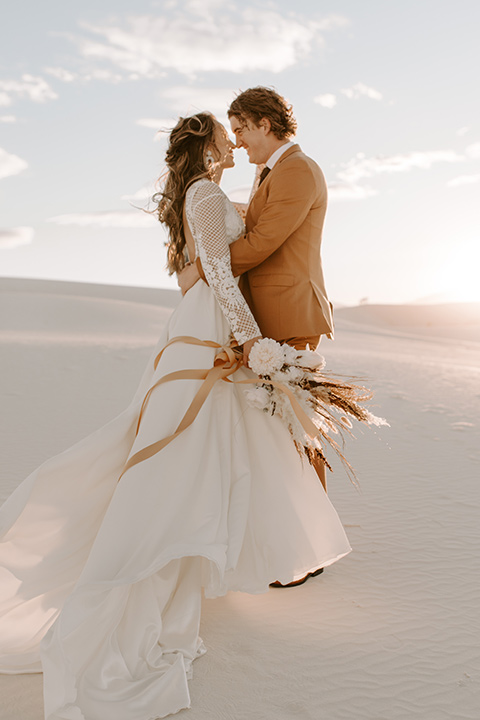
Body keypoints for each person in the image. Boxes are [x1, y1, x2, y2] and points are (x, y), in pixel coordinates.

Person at [0, 112, 350, 719]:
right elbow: (217, 270)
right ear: (211, 146)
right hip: (214, 328)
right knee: (183, 453)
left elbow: (198, 269)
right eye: (227, 134)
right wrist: (250, 341)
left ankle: (196, 545)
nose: (235, 142)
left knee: (198, 449)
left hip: (197, 325)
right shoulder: (207, 191)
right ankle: (146, 560)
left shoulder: (202, 193)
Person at [178, 87, 333, 505]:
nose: (238, 139)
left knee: (297, 425)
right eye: (231, 131)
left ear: (266, 123)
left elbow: (263, 241)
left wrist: (208, 268)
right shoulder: (269, 172)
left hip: (290, 313)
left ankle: (314, 530)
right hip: (266, 314)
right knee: (277, 427)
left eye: (242, 129)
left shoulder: (297, 170)